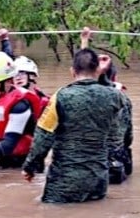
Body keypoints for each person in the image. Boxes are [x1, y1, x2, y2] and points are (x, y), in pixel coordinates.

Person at [22, 48, 125, 203]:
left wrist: (30, 167)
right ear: (98, 70)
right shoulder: (115, 96)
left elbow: (42, 137)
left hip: (64, 181)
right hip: (98, 179)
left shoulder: (61, 97)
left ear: (72, 71)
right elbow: (117, 138)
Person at [79, 27, 133, 184]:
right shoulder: (120, 98)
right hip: (109, 162)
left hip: (95, 163)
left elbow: (87, 77)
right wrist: (84, 41)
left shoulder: (87, 95)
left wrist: (84, 42)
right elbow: (128, 138)